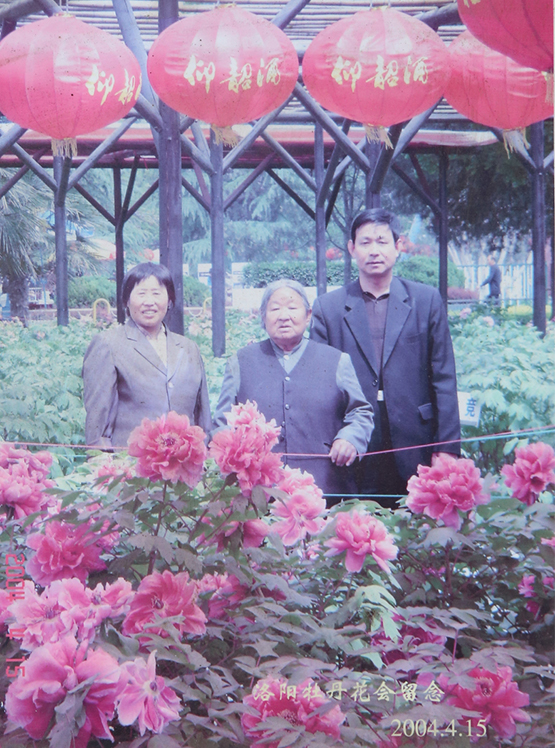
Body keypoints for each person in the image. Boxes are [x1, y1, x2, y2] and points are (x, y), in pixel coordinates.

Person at [310, 208, 460, 507]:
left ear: (398, 245)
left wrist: (447, 447)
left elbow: (444, 377)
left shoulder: (426, 300)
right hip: (353, 441)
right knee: (356, 522)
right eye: (365, 242)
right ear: (352, 248)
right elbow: (319, 385)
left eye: (382, 241)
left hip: (416, 436)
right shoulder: (329, 307)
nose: (374, 251)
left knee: (416, 524)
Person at [213, 279, 374, 503]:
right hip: (258, 494)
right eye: (275, 309)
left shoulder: (337, 360)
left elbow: (361, 412)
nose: (284, 316)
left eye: (292, 307)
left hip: (325, 490)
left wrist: (350, 439)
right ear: (263, 317)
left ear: (308, 316)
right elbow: (222, 422)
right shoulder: (240, 362)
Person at [83, 262, 211, 448]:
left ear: (169, 300)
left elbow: (203, 418)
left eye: (157, 293)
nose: (149, 301)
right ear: (127, 300)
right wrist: (103, 463)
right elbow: (98, 426)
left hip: (184, 463)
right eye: (141, 293)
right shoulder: (108, 345)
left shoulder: (189, 348)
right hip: (131, 462)